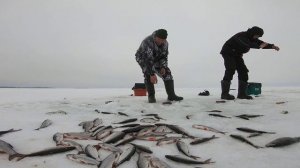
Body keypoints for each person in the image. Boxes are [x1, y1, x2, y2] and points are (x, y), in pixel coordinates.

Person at [220, 26, 280, 100]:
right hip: (228, 52)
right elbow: (246, 44)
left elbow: (261, 43)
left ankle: (242, 94)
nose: (257, 37)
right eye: (257, 35)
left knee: (243, 71)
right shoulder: (241, 36)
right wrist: (259, 46)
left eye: (259, 36)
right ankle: (225, 94)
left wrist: (272, 46)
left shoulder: (252, 38)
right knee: (230, 69)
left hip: (237, 55)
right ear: (253, 33)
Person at [135, 29, 183, 103]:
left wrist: (163, 67)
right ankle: (151, 96)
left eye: (163, 40)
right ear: (155, 37)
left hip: (156, 58)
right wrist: (152, 74)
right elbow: (148, 59)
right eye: (159, 39)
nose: (160, 42)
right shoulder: (147, 42)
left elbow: (164, 57)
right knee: (148, 73)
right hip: (143, 58)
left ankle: (171, 95)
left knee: (167, 72)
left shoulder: (165, 44)